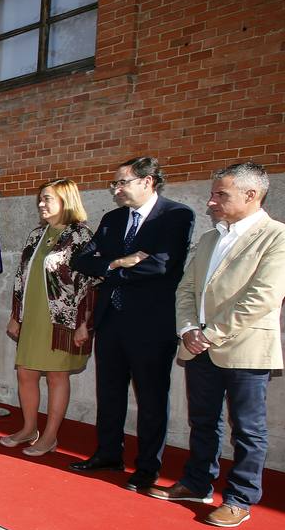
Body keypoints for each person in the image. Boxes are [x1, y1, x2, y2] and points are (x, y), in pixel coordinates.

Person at [147, 162, 285, 527]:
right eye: (213, 193)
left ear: (251, 195)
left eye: (221, 194)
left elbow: (263, 296)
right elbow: (186, 289)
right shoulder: (210, 238)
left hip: (244, 349)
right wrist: (187, 328)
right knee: (203, 421)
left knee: (248, 429)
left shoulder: (281, 237)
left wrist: (210, 334)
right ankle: (197, 483)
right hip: (198, 345)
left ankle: (239, 498)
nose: (211, 201)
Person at [69, 157, 195, 491]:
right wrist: (121, 262)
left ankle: (147, 467)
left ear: (147, 181)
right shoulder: (113, 219)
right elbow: (82, 260)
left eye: (122, 182)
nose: (117, 189)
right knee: (109, 393)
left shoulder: (176, 215)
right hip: (110, 320)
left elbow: (163, 266)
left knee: (151, 399)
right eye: (115, 184)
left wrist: (109, 268)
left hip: (152, 325)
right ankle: (108, 453)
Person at [2, 180, 98, 456]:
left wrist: (85, 323)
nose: (41, 204)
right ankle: (29, 428)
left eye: (47, 199)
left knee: (57, 376)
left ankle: (50, 436)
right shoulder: (36, 235)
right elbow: (21, 278)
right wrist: (15, 316)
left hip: (62, 321)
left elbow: (90, 283)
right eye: (40, 200)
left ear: (66, 201)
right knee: (25, 373)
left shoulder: (80, 235)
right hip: (31, 317)